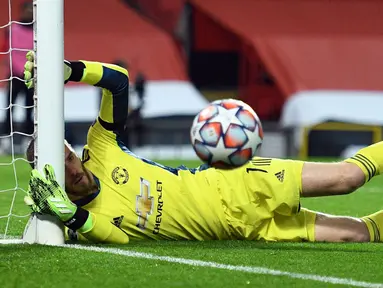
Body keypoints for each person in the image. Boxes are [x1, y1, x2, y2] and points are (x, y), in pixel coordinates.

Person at [24, 52, 383, 244]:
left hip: (236, 182)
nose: (72, 171)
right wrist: (69, 213)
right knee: (359, 234)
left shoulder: (101, 147)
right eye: (62, 171)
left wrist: (68, 70)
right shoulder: (82, 224)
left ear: (71, 150)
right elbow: (116, 238)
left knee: (347, 178)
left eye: (68, 157)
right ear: (52, 181)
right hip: (245, 231)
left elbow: (118, 81)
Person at [0, 1, 34, 153]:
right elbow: (10, 53)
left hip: (31, 76)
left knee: (30, 109)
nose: (29, 13)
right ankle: (5, 142)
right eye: (27, 10)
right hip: (15, 76)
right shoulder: (12, 29)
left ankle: (29, 141)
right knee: (9, 109)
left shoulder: (39, 30)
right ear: (22, 11)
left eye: (31, 10)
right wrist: (19, 71)